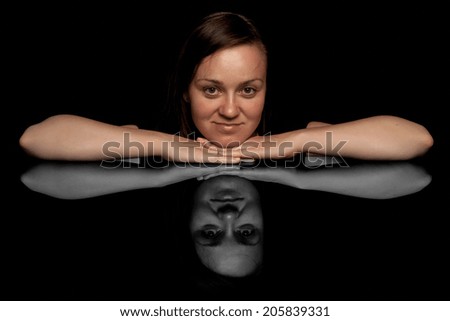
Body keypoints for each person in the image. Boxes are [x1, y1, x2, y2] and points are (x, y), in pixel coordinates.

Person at [19, 12, 433, 163]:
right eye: (211, 90)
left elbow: (416, 139)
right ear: (185, 89)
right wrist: (168, 146)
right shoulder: (159, 125)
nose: (231, 111)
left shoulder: (287, 124)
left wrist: (287, 143)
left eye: (249, 90)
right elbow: (36, 138)